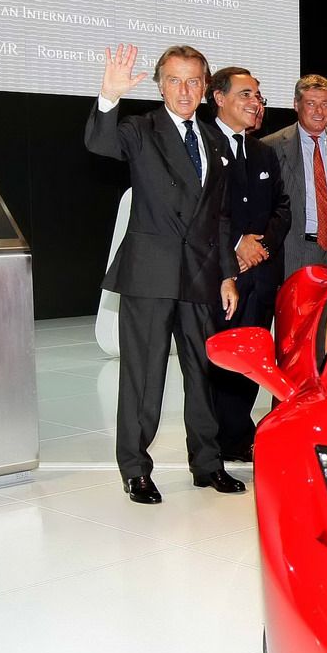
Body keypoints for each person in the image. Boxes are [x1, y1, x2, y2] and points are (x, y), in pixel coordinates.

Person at [83, 43, 242, 504]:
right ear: (159, 85)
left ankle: (207, 463)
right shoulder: (140, 129)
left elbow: (220, 217)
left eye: (193, 81)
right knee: (144, 376)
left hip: (201, 274)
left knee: (203, 373)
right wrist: (109, 97)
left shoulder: (214, 139)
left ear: (205, 87)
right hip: (151, 273)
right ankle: (135, 468)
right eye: (174, 80)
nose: (184, 90)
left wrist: (227, 274)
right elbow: (100, 142)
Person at [206, 67, 289, 465]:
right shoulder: (203, 145)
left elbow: (282, 208)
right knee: (222, 357)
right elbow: (201, 211)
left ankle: (239, 436)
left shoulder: (262, 152)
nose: (255, 102)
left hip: (262, 273)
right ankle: (218, 436)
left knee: (253, 357)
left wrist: (261, 246)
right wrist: (238, 243)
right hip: (221, 273)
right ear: (219, 98)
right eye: (245, 94)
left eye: (257, 95)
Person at [266, 74, 327, 273]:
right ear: (296, 105)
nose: (319, 111)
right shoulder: (272, 147)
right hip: (294, 252)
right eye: (311, 104)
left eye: (325, 104)